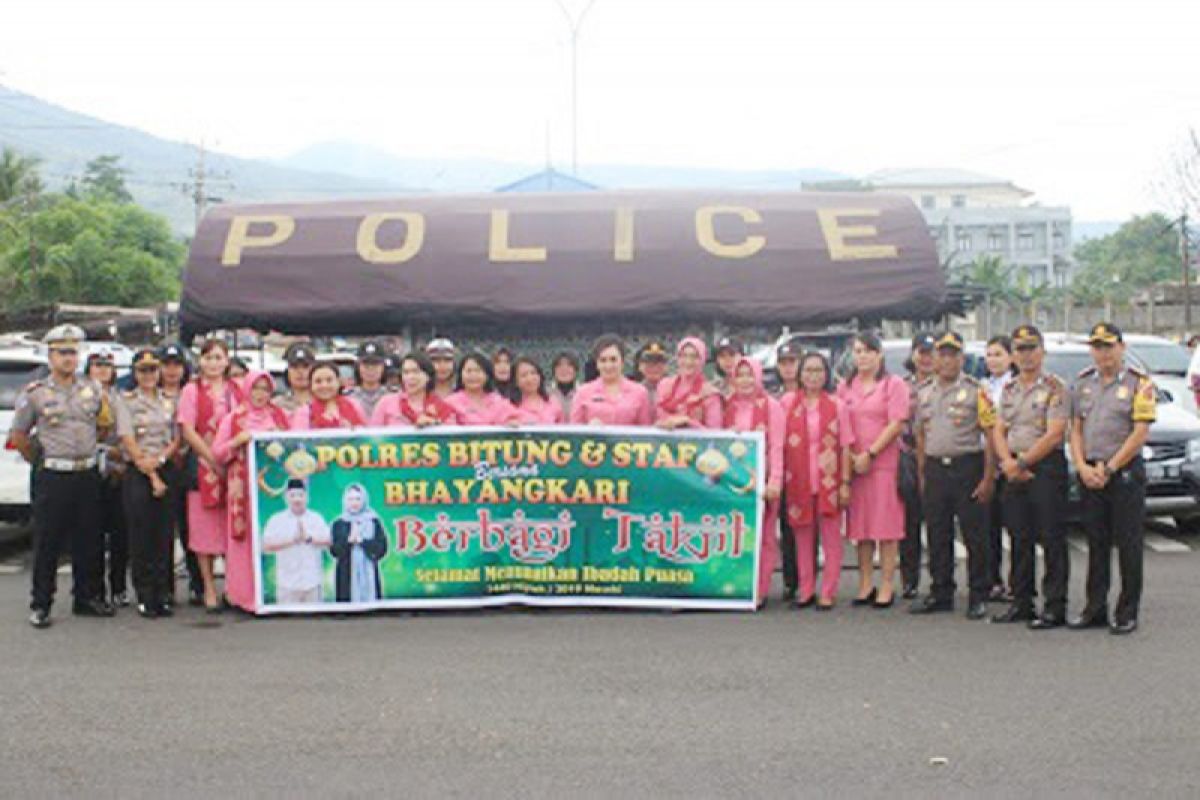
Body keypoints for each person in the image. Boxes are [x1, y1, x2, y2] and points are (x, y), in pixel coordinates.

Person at [12, 325, 115, 628]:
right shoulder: (35, 393)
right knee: (48, 542)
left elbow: (104, 426)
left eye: (73, 352)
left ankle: (87, 597)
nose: (69, 358)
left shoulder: (93, 389)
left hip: (86, 473)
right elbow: (19, 436)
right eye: (62, 352)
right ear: (50, 355)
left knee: (90, 539)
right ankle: (41, 603)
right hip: (54, 475)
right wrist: (41, 460)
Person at [1068, 322, 1155, 636]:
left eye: (1108, 346)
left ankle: (1127, 611)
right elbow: (1075, 429)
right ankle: (1095, 608)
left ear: (1122, 347)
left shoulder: (1139, 384)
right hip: (1091, 472)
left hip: (1125, 473)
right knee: (1096, 543)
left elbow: (1139, 432)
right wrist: (1081, 465)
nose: (1102, 353)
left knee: (1129, 545)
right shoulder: (1082, 384)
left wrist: (1110, 468)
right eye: (1097, 347)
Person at [912, 331, 996, 620]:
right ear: (933, 358)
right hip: (936, 468)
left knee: (975, 536)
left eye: (953, 355)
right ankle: (941, 591)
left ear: (962, 358)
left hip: (968, 466)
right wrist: (922, 472)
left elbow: (990, 435)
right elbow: (922, 435)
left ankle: (978, 594)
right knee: (937, 533)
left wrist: (988, 477)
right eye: (942, 354)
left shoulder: (977, 391)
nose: (947, 360)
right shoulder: (923, 392)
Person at [991, 325, 1070, 629]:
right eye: (1020, 349)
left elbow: (1054, 434)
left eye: (1031, 348)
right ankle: (1022, 602)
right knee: (1019, 538)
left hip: (1045, 468)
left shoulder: (1055, 387)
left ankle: (1054, 607)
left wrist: (1021, 462)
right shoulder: (1009, 389)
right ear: (1013, 354)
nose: (1026, 355)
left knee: (1051, 538)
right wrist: (1008, 462)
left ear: (1042, 351)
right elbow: (999, 429)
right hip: (1013, 467)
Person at [838, 331, 909, 608]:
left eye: (868, 351)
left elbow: (897, 423)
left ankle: (888, 584)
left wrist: (871, 453)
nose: (863, 356)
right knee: (861, 529)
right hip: (854, 466)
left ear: (880, 355)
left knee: (886, 529)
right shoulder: (845, 387)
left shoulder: (894, 385)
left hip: (884, 464)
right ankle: (865, 582)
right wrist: (853, 458)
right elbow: (842, 426)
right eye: (857, 351)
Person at [212, 370, 292, 613]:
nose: (260, 394)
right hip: (242, 485)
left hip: (272, 487)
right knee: (243, 537)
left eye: (265, 389)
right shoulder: (234, 418)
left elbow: (294, 445)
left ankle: (273, 591)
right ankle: (241, 595)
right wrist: (239, 441)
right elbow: (217, 452)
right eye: (255, 388)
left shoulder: (279, 416)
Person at [783, 351, 853, 610]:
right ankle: (806, 589)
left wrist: (845, 482)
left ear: (827, 374)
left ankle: (828, 590)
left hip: (830, 481)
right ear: (800, 375)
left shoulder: (837, 406)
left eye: (818, 370)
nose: (813, 376)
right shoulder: (788, 403)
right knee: (802, 538)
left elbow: (846, 446)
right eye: (808, 370)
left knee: (832, 538)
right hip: (797, 481)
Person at [115, 349, 181, 618]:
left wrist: (162, 459)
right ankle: (144, 594)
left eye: (153, 369)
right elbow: (126, 437)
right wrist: (145, 465)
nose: (149, 375)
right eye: (143, 370)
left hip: (165, 466)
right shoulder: (126, 400)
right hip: (137, 470)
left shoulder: (170, 400)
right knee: (141, 534)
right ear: (135, 373)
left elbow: (178, 436)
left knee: (164, 534)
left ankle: (163, 592)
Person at [176, 337, 240, 613]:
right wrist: (212, 457)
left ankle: (233, 587)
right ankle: (208, 587)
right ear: (199, 361)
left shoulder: (236, 390)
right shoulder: (191, 391)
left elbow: (243, 421)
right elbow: (187, 429)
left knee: (232, 528)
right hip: (202, 465)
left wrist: (227, 456)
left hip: (232, 467)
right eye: (208, 357)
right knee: (203, 530)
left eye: (218, 358)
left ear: (227, 361)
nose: (213, 363)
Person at [723, 356, 784, 607]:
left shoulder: (772, 407)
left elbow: (778, 447)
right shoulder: (727, 406)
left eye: (750, 374)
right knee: (735, 533)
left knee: (765, 536)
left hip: (762, 482)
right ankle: (736, 584)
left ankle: (759, 589)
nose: (745, 380)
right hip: (731, 483)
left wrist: (775, 480)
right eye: (740, 375)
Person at [159, 343, 202, 608]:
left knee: (192, 529)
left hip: (189, 464)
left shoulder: (193, 393)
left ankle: (198, 584)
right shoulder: (149, 395)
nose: (172, 370)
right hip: (162, 467)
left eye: (177, 364)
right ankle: (166, 589)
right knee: (163, 531)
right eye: (167, 364)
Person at [87, 348, 129, 608]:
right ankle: (94, 590)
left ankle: (119, 588)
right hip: (89, 469)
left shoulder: (121, 398)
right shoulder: (80, 396)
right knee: (91, 534)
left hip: (117, 469)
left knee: (120, 534)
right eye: (97, 365)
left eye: (107, 365)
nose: (102, 369)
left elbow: (128, 435)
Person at [899, 332, 935, 599]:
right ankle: (909, 579)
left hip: (936, 457)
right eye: (921, 353)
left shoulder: (948, 385)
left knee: (937, 522)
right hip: (907, 458)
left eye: (931, 353)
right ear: (913, 355)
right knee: (908, 524)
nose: (926, 358)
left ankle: (940, 581)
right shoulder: (900, 386)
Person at [983, 334, 1017, 601]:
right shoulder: (982, 387)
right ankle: (992, 580)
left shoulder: (1015, 387)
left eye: (998, 354)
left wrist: (1004, 461)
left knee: (1017, 528)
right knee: (988, 526)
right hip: (986, 461)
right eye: (990, 354)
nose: (993, 360)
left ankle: (1019, 584)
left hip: (1013, 461)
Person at [262, 479, 332, 604]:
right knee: (288, 622)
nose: (297, 499)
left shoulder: (316, 518)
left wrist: (309, 538)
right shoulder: (276, 520)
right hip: (286, 584)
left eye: (300, 495)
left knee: (315, 621)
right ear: (286, 498)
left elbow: (329, 541)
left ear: (307, 497)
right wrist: (292, 540)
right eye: (292, 495)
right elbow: (266, 546)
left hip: (312, 582)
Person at [773, 339, 803, 600]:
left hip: (804, 469)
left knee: (804, 529)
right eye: (783, 363)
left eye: (792, 362)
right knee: (785, 527)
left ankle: (806, 579)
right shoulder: (772, 397)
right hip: (780, 468)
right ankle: (789, 580)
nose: (788, 368)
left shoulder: (813, 395)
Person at [569, 335, 654, 426]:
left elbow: (645, 431)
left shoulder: (640, 392)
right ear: (597, 364)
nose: (608, 366)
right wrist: (588, 429)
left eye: (613, 360)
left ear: (622, 362)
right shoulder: (583, 393)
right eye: (603, 360)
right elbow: (574, 432)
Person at [330, 483, 388, 603]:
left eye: (358, 499)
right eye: (351, 499)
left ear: (364, 500)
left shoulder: (374, 521)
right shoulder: (339, 523)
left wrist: (362, 541)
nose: (354, 503)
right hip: (346, 576)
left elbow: (381, 549)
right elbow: (335, 551)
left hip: (370, 575)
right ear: (345, 501)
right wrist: (349, 541)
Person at [372, 352, 459, 427]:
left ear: (428, 376)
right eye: (406, 372)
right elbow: (370, 437)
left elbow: (452, 439)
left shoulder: (442, 407)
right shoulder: (386, 403)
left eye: (416, 372)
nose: (410, 377)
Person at [655, 337, 722, 429]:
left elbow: (715, 435)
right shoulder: (664, 385)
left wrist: (687, 422)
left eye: (694, 357)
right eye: (683, 356)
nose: (688, 362)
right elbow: (656, 420)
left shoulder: (710, 393)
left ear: (702, 360)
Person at [446, 352, 523, 425]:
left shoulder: (497, 400)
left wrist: (512, 422)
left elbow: (517, 418)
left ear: (487, 375)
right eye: (469, 371)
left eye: (478, 371)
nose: (473, 375)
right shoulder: (450, 403)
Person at [292, 362, 367, 429]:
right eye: (318, 381)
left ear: (338, 382)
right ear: (311, 385)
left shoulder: (353, 404)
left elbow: (366, 434)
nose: (324, 385)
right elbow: (298, 441)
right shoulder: (305, 412)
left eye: (329, 380)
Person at [348, 340, 392, 420]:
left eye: (375, 364)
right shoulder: (348, 397)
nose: (370, 369)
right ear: (358, 367)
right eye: (366, 365)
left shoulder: (393, 395)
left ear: (383, 367)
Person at [514, 357, 565, 424]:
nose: (530, 378)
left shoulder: (552, 402)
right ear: (516, 381)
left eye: (533, 373)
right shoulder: (511, 405)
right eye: (524, 375)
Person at [274, 342, 316, 414]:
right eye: (294, 367)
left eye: (305, 367)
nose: (300, 371)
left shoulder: (326, 402)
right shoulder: (276, 405)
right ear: (287, 372)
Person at [635, 340, 669, 408]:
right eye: (648, 362)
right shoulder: (633, 393)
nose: (654, 367)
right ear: (640, 366)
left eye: (659, 361)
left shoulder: (674, 391)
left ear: (666, 366)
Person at [548, 351, 580, 419]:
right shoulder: (545, 394)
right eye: (559, 365)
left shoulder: (584, 392)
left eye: (569, 365)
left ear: (576, 370)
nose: (564, 369)